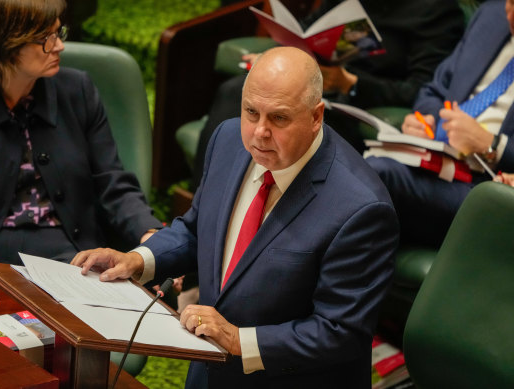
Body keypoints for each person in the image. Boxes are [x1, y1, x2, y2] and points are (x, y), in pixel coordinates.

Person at [72, 46, 399, 388]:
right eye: (251, 112)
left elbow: (339, 332)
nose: (259, 132)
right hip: (208, 373)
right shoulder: (228, 139)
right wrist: (138, 260)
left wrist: (238, 340)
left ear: (316, 117)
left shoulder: (362, 209)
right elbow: (200, 228)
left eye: (279, 118)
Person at [0, 0, 163, 265]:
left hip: (74, 255)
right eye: (46, 38)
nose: (59, 45)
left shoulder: (78, 91)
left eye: (58, 33)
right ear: (5, 44)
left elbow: (112, 183)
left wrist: (151, 236)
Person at [191, 0, 465, 190]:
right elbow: (308, 31)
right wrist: (280, 56)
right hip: (309, 81)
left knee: (292, 117)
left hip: (357, 103)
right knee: (234, 92)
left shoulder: (436, 10)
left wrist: (350, 83)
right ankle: (202, 208)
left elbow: (421, 89)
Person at [366, 0, 514, 247]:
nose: (510, 14)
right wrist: (429, 123)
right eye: (510, 2)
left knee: (376, 173)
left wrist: (491, 145)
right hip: (437, 160)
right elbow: (433, 91)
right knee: (341, 162)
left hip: (488, 187)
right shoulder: (491, 15)